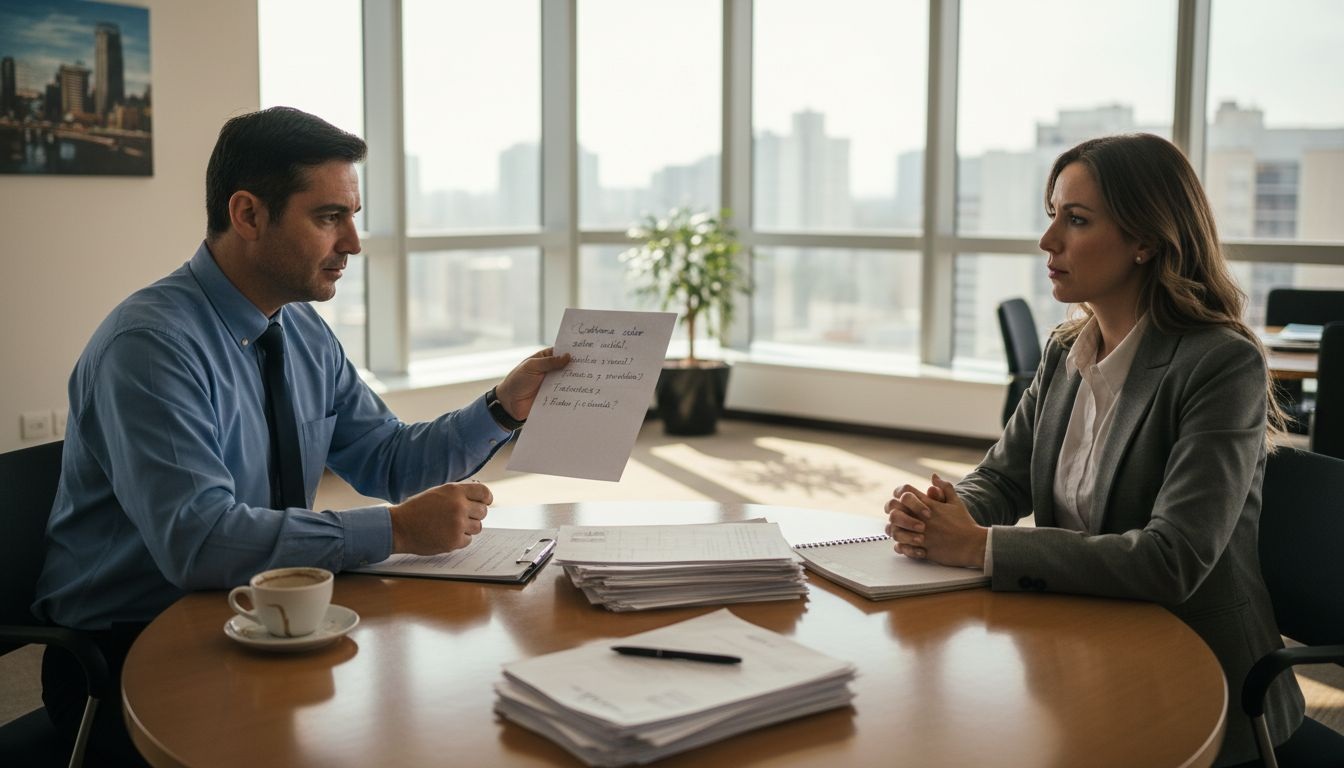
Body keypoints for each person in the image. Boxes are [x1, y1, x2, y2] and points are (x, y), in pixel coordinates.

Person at [31, 106, 569, 764]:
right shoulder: (150, 345)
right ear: (249, 215)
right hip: (127, 651)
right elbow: (199, 542)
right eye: (328, 217)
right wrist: (395, 531)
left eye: (353, 216)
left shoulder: (301, 329)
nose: (354, 244)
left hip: (265, 611)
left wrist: (502, 408)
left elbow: (389, 460)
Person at [885, 133, 1304, 767]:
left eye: (1075, 220)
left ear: (1146, 240)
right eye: (1051, 215)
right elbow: (1003, 478)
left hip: (1203, 682)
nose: (1048, 241)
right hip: (1081, 645)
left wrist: (977, 545)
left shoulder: (1220, 363)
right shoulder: (1066, 350)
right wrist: (942, 507)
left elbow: (1172, 560)